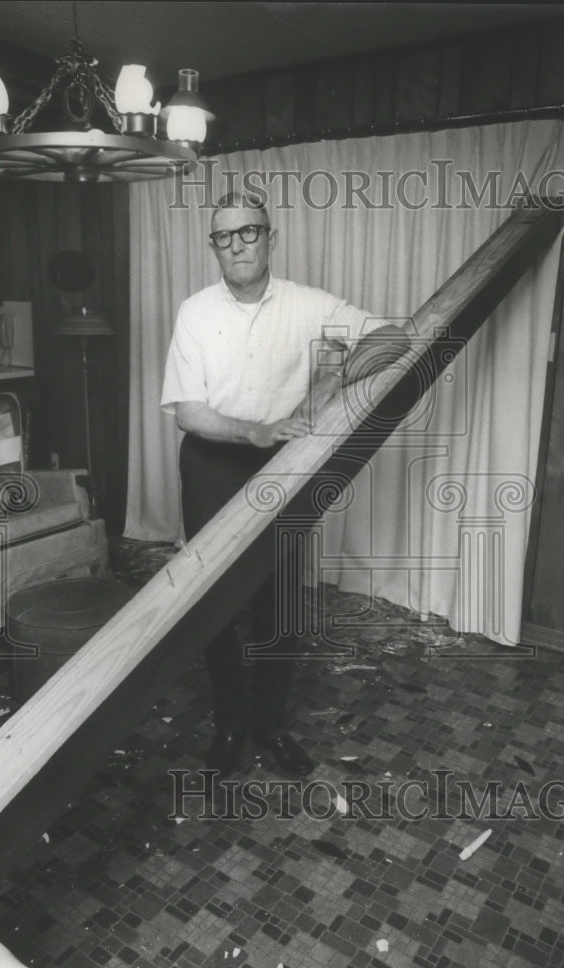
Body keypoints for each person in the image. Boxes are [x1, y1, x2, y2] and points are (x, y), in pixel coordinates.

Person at [161, 191, 409, 778]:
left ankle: (270, 726)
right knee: (214, 600)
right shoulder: (195, 311)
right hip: (211, 464)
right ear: (214, 247)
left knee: (279, 602)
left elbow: (393, 338)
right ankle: (230, 723)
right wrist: (254, 431)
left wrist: (333, 383)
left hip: (284, 465)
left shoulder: (308, 303)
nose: (237, 245)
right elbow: (188, 412)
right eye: (224, 236)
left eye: (249, 232)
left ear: (271, 237)